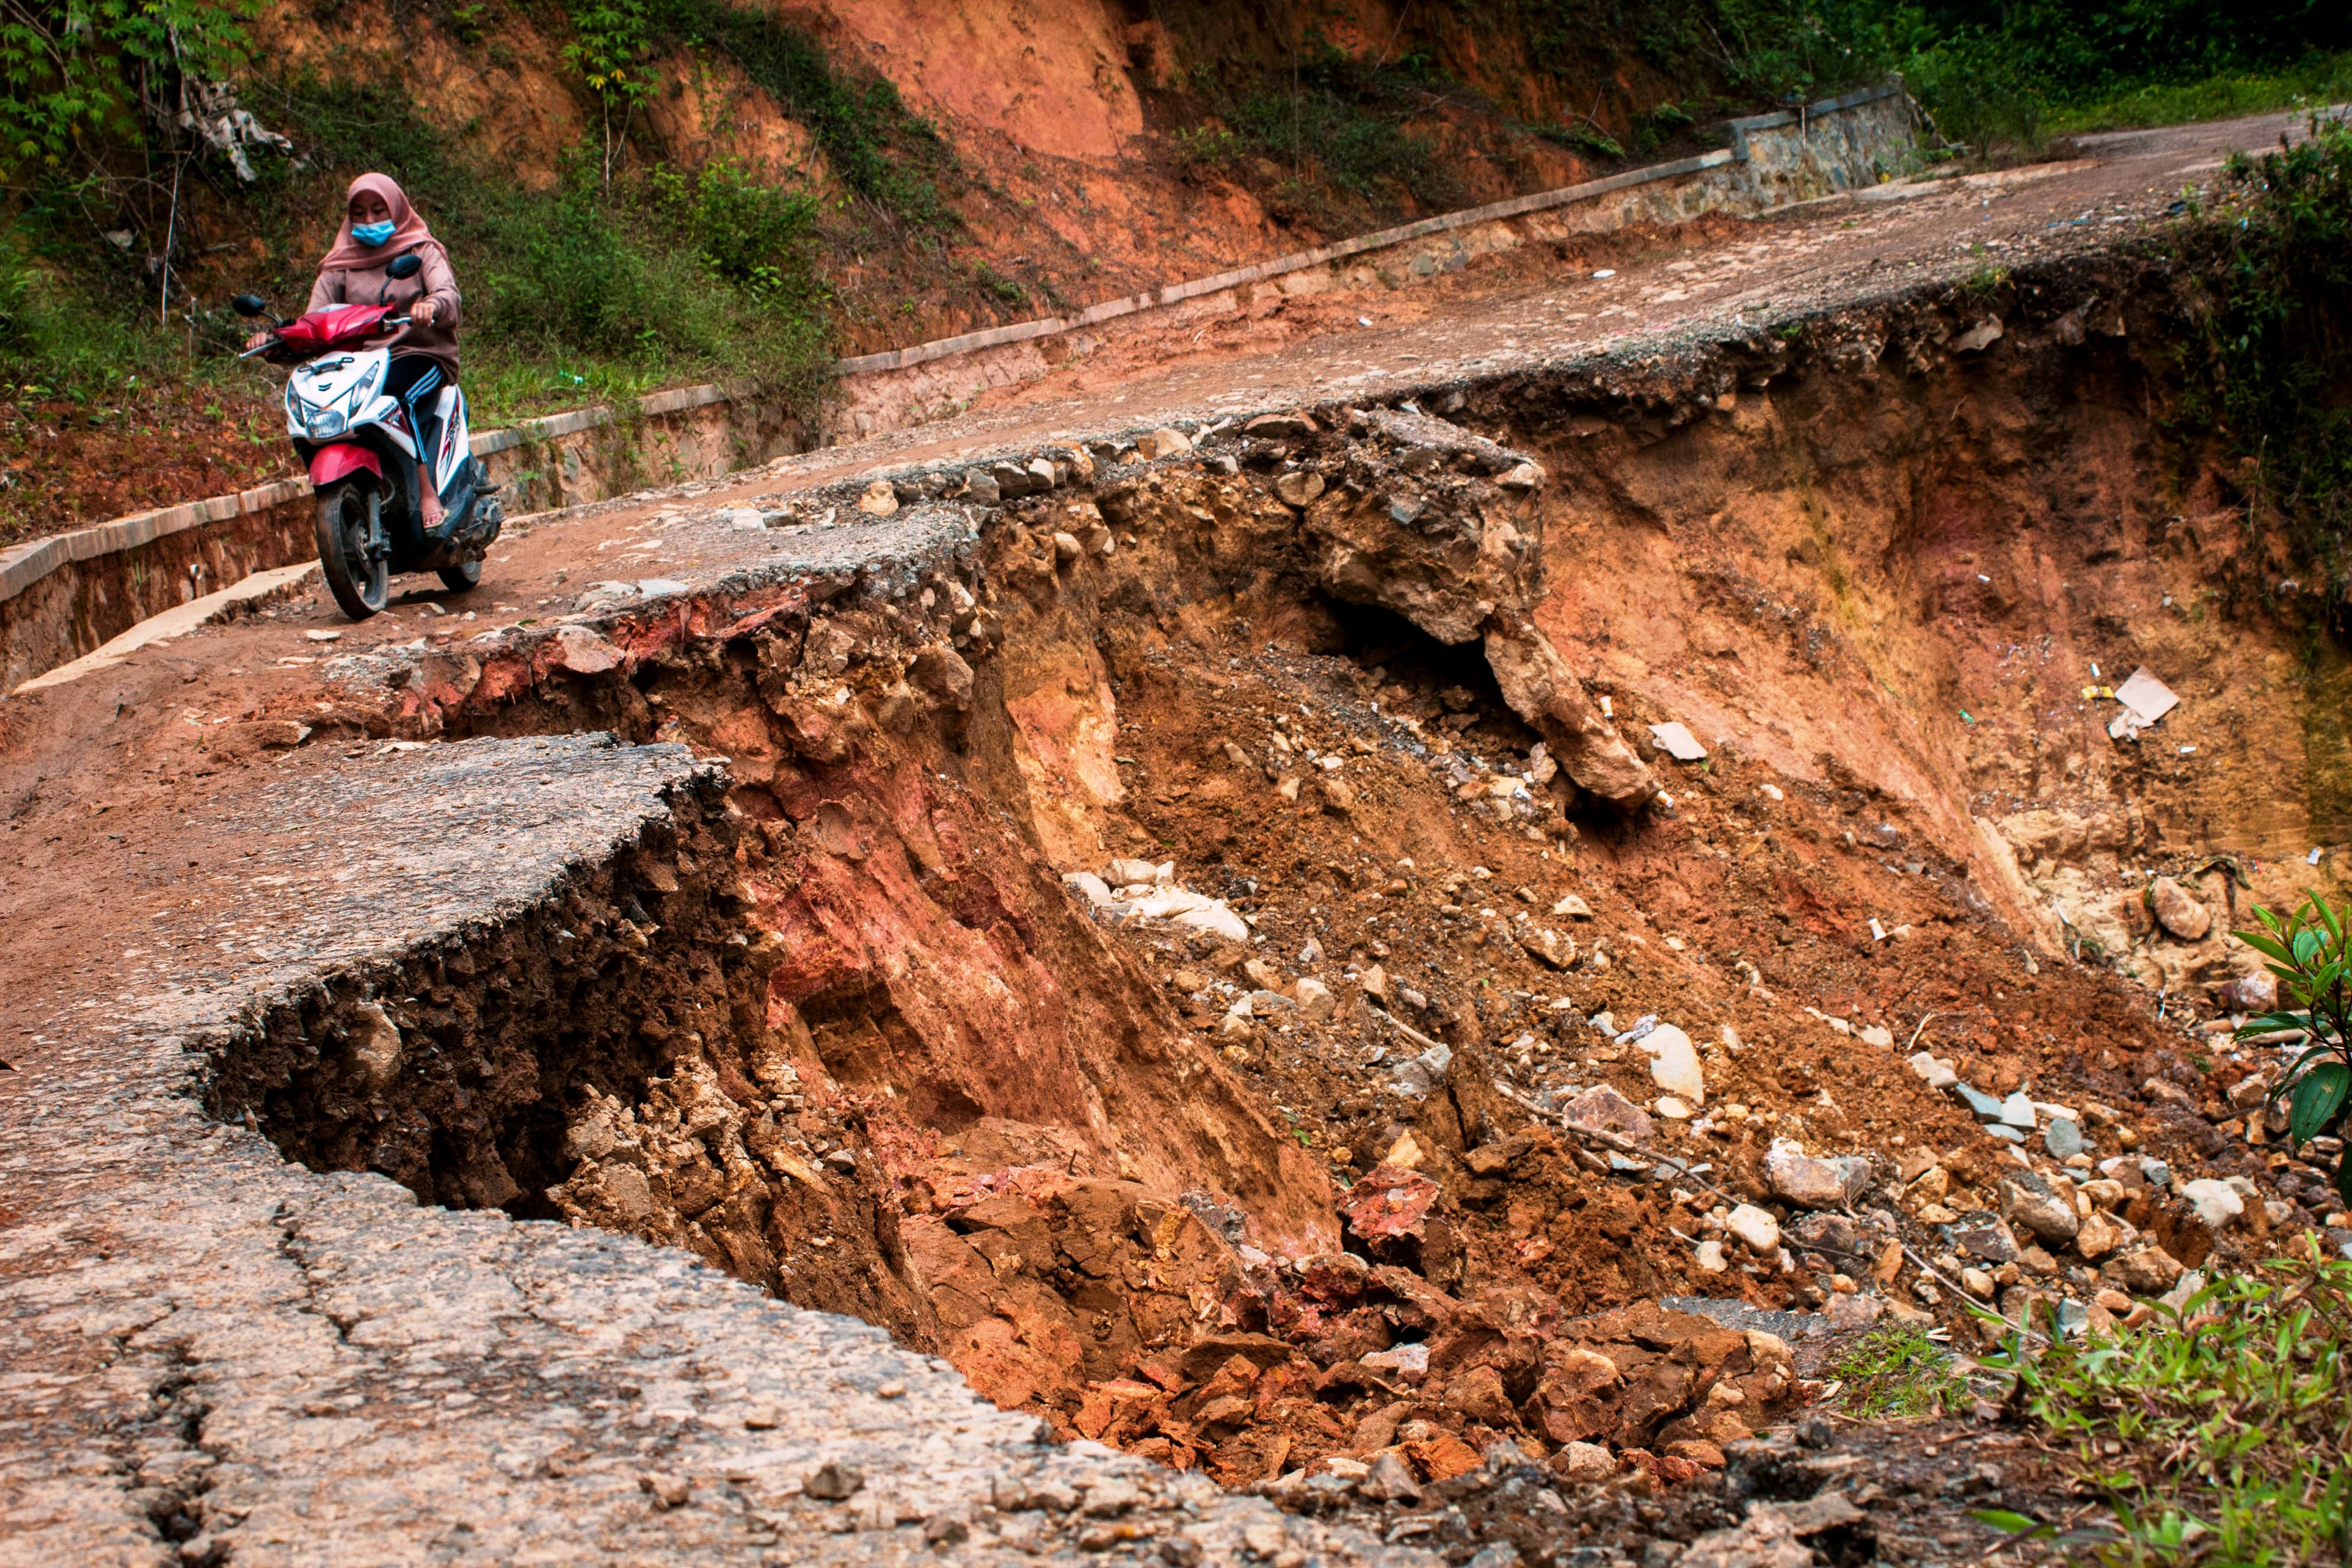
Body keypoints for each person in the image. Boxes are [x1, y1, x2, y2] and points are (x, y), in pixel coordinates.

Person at [250, 174, 463, 528]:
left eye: (379, 211)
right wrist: (273, 343)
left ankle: (428, 491)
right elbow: (314, 326)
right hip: (356, 367)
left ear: (396, 208)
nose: (368, 221)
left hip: (417, 353)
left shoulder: (421, 249)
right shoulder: (339, 265)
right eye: (360, 213)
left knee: (397, 395)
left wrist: (433, 305)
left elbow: (449, 296)